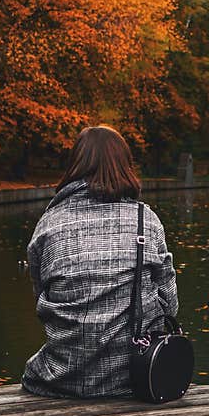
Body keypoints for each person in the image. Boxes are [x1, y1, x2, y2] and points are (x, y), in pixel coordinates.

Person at [22, 125, 178, 398]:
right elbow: (170, 305)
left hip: (59, 378)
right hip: (136, 377)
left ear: (75, 165)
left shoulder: (49, 224)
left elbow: (42, 300)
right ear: (125, 166)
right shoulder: (146, 221)